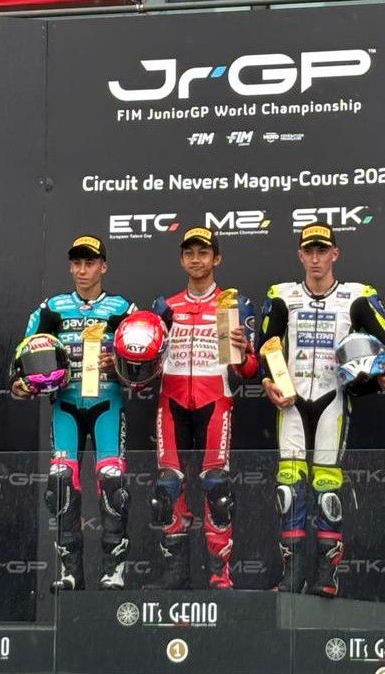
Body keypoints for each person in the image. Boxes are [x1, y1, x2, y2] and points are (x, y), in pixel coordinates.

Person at [258, 222, 385, 598]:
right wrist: (267, 380)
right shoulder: (282, 295)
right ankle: (292, 575)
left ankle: (326, 574)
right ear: (300, 255)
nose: (315, 259)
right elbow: (266, 344)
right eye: (309, 251)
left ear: (335, 254)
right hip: (291, 402)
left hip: (334, 400)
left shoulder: (357, 297)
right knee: (288, 488)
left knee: (328, 487)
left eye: (322, 251)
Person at [12, 235, 135, 591]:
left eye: (90, 263)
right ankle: (70, 573)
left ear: (103, 267)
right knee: (61, 482)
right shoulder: (52, 308)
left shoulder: (122, 309)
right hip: (65, 403)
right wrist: (19, 383)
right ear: (70, 266)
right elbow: (24, 354)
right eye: (77, 263)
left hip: (107, 403)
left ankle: (113, 572)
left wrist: (120, 366)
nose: (82, 270)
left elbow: (144, 361)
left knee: (112, 482)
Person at [148, 226, 258, 590]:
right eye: (189, 253)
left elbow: (248, 371)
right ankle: (176, 574)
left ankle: (219, 574)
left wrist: (244, 351)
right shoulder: (164, 308)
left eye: (204, 253)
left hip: (215, 401)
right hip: (171, 402)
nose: (196, 260)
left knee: (216, 487)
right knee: (167, 487)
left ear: (217, 258)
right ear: (182, 259)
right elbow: (147, 366)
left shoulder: (234, 304)